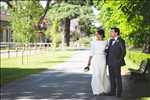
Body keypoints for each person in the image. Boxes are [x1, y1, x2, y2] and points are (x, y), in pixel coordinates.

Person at [84, 29, 110, 96]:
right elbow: (91, 53)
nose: (96, 35)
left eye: (97, 34)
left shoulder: (106, 42)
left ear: (101, 34)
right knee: (97, 74)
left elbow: (107, 51)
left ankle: (103, 90)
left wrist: (106, 53)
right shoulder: (93, 42)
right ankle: (97, 90)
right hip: (95, 59)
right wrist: (88, 63)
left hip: (103, 59)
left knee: (102, 74)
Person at [106, 27, 126, 97]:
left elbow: (123, 52)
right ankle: (112, 92)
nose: (110, 33)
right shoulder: (110, 40)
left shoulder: (121, 41)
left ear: (116, 33)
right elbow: (109, 50)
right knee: (111, 78)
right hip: (110, 62)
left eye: (112, 32)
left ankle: (119, 93)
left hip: (116, 63)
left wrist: (119, 61)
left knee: (118, 78)